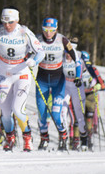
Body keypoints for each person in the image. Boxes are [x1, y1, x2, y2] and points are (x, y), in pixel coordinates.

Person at [0, 7, 43, 152]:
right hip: (4, 74)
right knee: (4, 114)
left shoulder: (24, 32)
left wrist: (34, 61)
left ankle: (27, 137)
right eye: (4, 22)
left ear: (17, 20)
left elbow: (40, 51)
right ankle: (10, 137)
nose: (7, 25)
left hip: (21, 73)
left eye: (10, 22)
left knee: (18, 109)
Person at [36, 17, 79, 151]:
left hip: (58, 82)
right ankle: (44, 138)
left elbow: (76, 57)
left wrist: (78, 76)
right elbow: (26, 54)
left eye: (51, 30)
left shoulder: (63, 40)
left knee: (56, 114)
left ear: (56, 30)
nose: (48, 33)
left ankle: (63, 136)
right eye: (45, 30)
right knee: (42, 114)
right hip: (42, 81)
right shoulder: (37, 39)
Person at [61, 45, 87, 151]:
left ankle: (84, 139)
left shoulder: (78, 60)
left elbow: (83, 69)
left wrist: (79, 77)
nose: (68, 55)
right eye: (66, 52)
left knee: (79, 114)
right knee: (62, 111)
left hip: (77, 88)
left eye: (69, 53)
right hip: (66, 86)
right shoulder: (62, 60)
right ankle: (64, 139)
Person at [79, 49, 104, 150]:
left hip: (90, 95)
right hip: (79, 95)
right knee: (79, 119)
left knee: (89, 117)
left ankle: (88, 139)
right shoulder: (77, 68)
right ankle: (76, 140)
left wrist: (98, 86)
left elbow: (101, 83)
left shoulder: (93, 69)